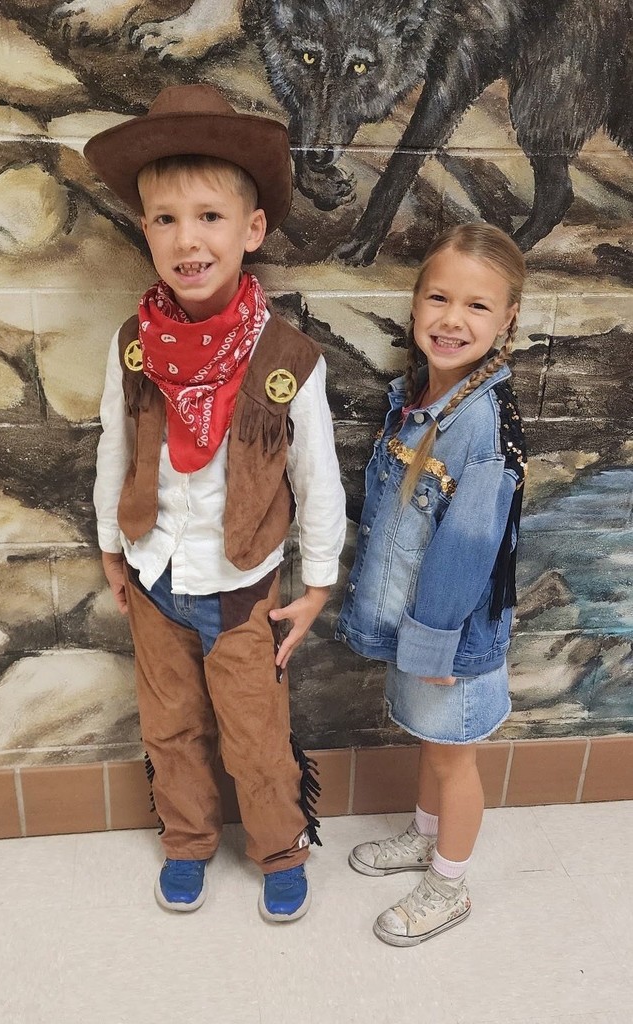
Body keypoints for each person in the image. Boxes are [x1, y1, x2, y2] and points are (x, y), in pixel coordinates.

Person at [85, 84, 346, 922]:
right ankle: (187, 840)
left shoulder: (288, 358)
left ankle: (278, 848)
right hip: (155, 577)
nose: (187, 239)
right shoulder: (132, 344)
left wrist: (317, 583)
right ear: (145, 231)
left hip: (240, 591)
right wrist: (110, 547)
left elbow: (317, 478)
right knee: (169, 728)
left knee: (253, 734)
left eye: (208, 217)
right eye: (165, 219)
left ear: (251, 231)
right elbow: (114, 446)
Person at [336, 223, 527, 946]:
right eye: (439, 298)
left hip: (449, 637)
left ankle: (448, 884)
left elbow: (468, 548)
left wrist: (436, 645)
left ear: (507, 318)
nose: (453, 320)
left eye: (477, 307)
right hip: (417, 626)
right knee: (428, 742)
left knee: (454, 759)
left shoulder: (476, 424)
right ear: (413, 305)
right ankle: (423, 838)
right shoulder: (420, 399)